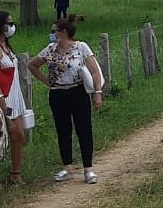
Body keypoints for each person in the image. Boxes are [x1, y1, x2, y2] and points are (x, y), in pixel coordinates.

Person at [28, 19, 103, 184]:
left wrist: (97, 92)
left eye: (55, 30)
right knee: (63, 130)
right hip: (58, 93)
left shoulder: (80, 47)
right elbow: (32, 65)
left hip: (78, 91)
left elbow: (95, 72)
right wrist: (47, 81)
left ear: (63, 32)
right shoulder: (50, 49)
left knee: (84, 129)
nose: (52, 34)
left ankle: (88, 168)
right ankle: (67, 166)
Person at [0, 11, 27, 185]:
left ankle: (15, 174)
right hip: (3, 97)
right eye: (8, 23)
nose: (11, 26)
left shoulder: (7, 47)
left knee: (19, 134)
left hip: (14, 97)